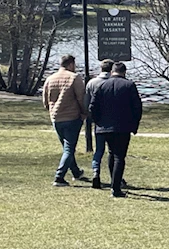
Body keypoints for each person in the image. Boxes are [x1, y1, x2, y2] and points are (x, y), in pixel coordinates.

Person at [89, 62, 142, 198]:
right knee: (119, 156)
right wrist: (134, 125)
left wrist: (98, 122)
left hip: (104, 127)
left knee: (111, 154)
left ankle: (114, 184)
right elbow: (137, 108)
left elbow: (93, 107)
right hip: (123, 127)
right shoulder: (129, 85)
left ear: (112, 72)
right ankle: (116, 187)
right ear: (124, 72)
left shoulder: (101, 85)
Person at [43, 54, 88, 186]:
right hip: (72, 117)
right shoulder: (74, 78)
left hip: (56, 118)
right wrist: (84, 112)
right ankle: (59, 176)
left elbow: (45, 100)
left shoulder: (50, 79)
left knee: (67, 147)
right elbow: (81, 98)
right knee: (69, 148)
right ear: (71, 64)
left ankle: (75, 172)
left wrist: (51, 111)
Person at [84, 59, 125, 189]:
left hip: (99, 123)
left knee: (99, 150)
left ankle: (96, 172)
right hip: (115, 122)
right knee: (114, 153)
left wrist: (94, 118)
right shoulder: (116, 82)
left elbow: (88, 103)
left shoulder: (92, 83)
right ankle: (116, 178)